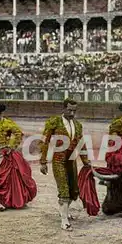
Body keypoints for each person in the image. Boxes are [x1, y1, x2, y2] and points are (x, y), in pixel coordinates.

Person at [40, 99, 91, 231]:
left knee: (73, 189)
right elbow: (44, 142)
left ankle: (65, 212)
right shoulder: (54, 122)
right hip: (58, 160)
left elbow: (81, 144)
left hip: (71, 160)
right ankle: (64, 221)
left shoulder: (78, 125)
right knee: (63, 189)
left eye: (74, 110)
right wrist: (43, 161)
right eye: (69, 110)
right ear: (63, 109)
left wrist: (86, 162)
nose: (72, 113)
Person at [0, 102, 37, 211]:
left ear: (0, 114)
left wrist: (10, 146)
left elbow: (18, 133)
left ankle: (5, 202)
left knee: (7, 178)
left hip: (6, 154)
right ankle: (3, 200)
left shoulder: (7, 123)